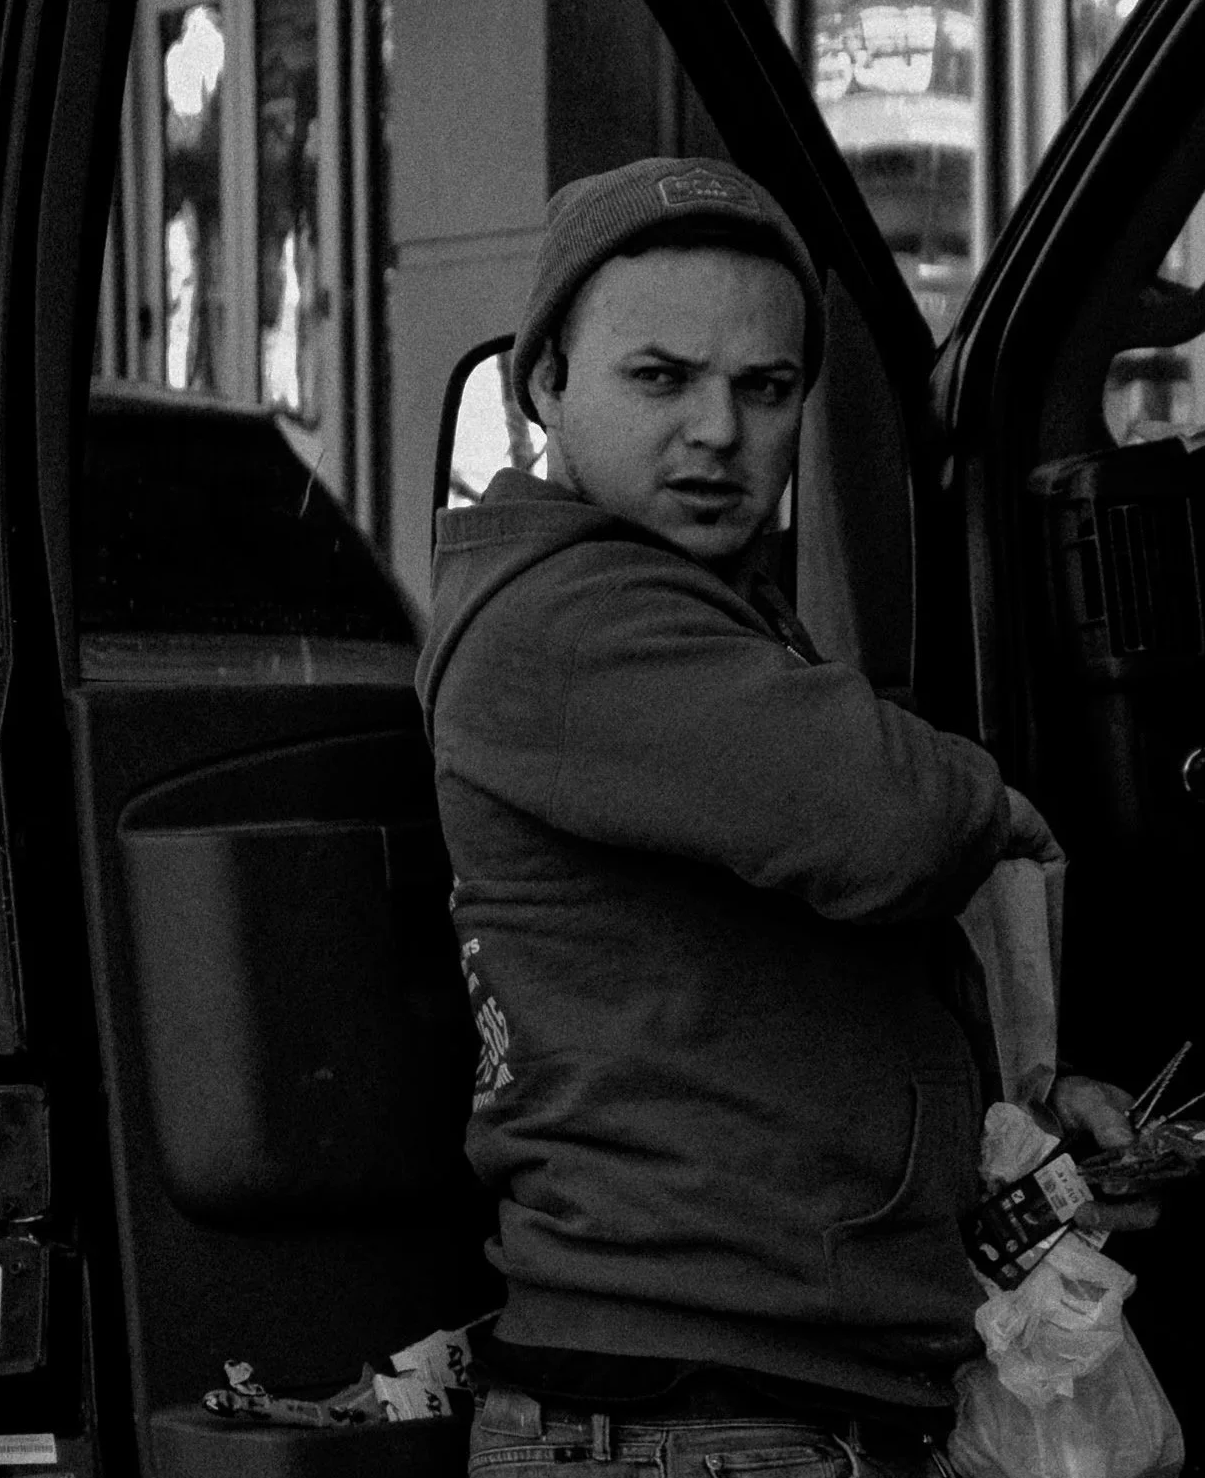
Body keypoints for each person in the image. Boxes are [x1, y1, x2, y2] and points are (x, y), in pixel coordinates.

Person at [416, 157, 1145, 1478]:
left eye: (763, 390)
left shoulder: (698, 611)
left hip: (764, 1399)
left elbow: (802, 980)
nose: (716, 431)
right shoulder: (566, 621)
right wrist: (991, 799)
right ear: (540, 388)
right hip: (689, 1418)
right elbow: (893, 824)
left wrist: (1018, 1117)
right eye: (659, 378)